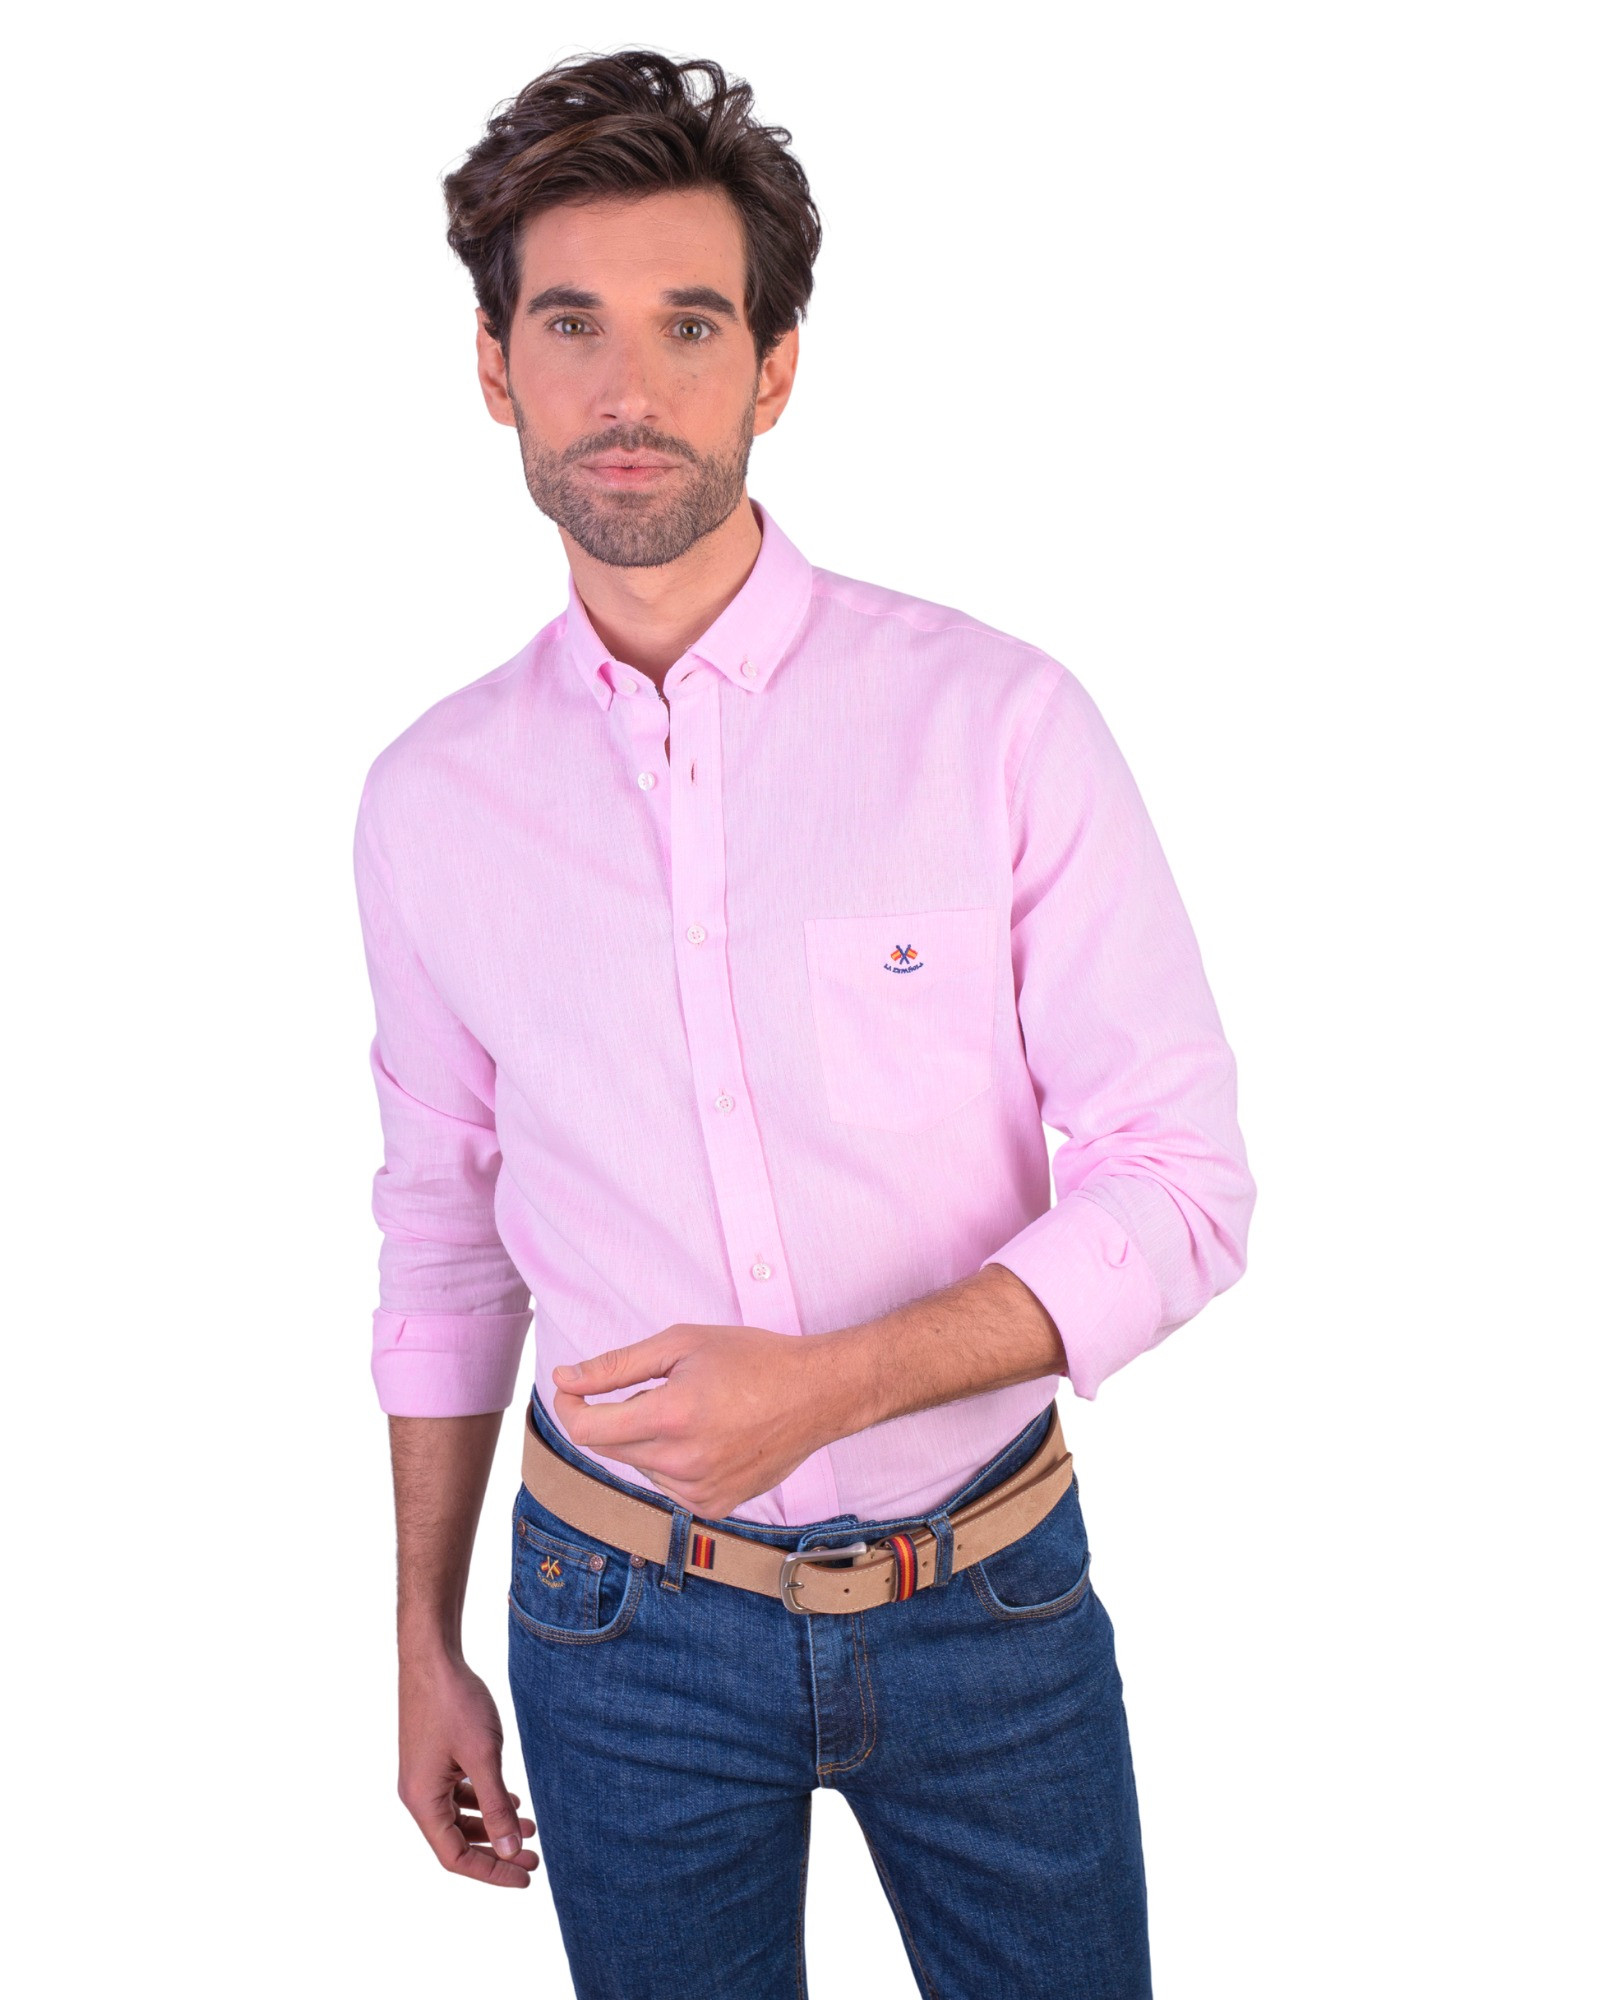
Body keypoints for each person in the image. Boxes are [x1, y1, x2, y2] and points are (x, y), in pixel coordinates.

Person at [353, 47, 1255, 2000]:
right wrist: (422, 1634)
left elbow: (1181, 1186)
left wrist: (831, 1386)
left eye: (690, 325)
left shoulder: (997, 725)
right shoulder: (429, 802)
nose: (627, 386)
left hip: (985, 1595)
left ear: (773, 369)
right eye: (569, 324)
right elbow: (441, 1230)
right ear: (494, 366)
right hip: (612, 1623)